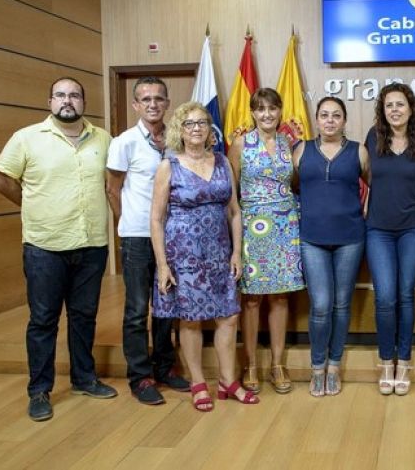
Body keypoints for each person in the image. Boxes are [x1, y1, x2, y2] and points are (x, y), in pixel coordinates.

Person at [0, 77, 117, 422]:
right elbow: (1, 178)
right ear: (50, 102)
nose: (67, 100)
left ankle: (84, 379)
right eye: (60, 95)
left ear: (84, 102)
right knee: (43, 320)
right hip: (44, 246)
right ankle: (39, 390)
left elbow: (113, 184)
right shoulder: (26, 138)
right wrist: (31, 204)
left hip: (92, 244)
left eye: (74, 95)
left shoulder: (103, 139)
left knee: (84, 317)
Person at [151, 102, 257, 412]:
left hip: (220, 252)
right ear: (180, 130)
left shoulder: (223, 161)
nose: (196, 128)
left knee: (229, 316)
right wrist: (162, 265)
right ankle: (198, 383)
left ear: (210, 129)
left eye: (202, 123)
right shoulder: (169, 166)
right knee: (191, 319)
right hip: (183, 255)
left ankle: (228, 381)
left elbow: (235, 211)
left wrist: (236, 252)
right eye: (189, 123)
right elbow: (156, 219)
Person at [106, 77, 189, 405]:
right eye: (145, 99)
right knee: (137, 309)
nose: (152, 104)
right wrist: (128, 223)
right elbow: (112, 189)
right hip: (138, 237)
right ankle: (140, 376)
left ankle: (165, 367)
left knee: (167, 306)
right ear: (136, 105)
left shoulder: (177, 141)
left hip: (172, 236)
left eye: (158, 98)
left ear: (167, 103)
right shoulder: (124, 142)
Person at [365, 82, 415, 395]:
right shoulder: (373, 137)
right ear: (383, 111)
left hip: (414, 228)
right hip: (378, 229)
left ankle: (404, 361)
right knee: (385, 297)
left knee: (405, 294)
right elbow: (366, 177)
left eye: (400, 104)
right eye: (389, 105)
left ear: (411, 108)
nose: (394, 110)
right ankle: (386, 361)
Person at [293, 96, 370, 397]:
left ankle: (334, 366)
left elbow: (374, 185)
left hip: (350, 238)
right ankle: (317, 368)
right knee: (321, 305)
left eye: (336, 115)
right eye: (324, 115)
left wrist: (365, 211)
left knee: (341, 304)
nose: (330, 120)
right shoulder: (301, 149)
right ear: (316, 119)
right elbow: (292, 185)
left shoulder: (358, 151)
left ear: (344, 120)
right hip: (312, 238)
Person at [231, 88, 305, 395]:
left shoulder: (290, 143)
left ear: (280, 111)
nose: (267, 114)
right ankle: (249, 365)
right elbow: (231, 191)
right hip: (253, 227)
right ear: (253, 113)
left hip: (286, 225)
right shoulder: (240, 143)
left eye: (272, 108)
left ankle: (277, 364)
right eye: (260, 109)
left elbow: (297, 183)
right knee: (251, 299)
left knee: (280, 298)